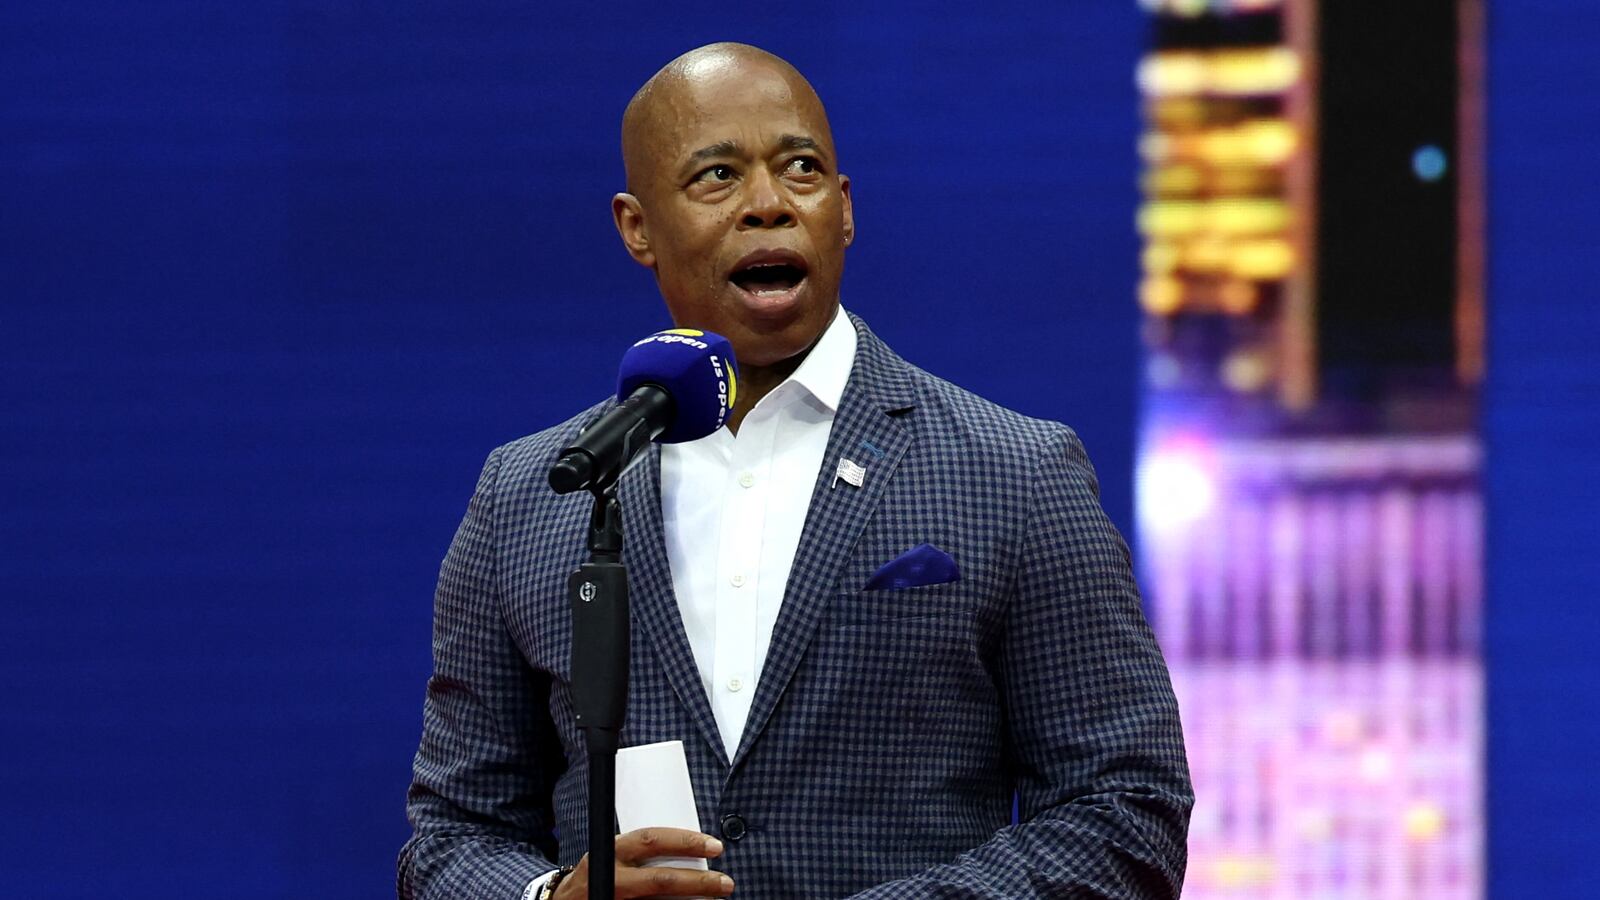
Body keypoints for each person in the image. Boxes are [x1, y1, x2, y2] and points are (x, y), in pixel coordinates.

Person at [398, 42, 1191, 900]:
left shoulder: (1017, 473)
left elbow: (1127, 810)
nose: (768, 205)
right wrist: (555, 898)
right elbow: (450, 838)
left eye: (801, 169)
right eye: (717, 177)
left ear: (843, 210)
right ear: (637, 228)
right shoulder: (532, 496)